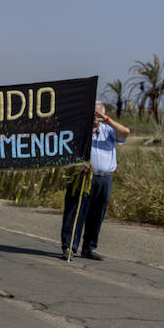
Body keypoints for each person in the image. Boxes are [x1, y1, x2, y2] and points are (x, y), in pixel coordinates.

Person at [61, 101, 131, 261]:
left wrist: (106, 120)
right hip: (83, 176)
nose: (95, 117)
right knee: (76, 211)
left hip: (104, 177)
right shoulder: (79, 130)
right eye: (93, 113)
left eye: (98, 114)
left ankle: (89, 247)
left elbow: (125, 133)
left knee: (97, 214)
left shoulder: (108, 130)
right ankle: (69, 246)